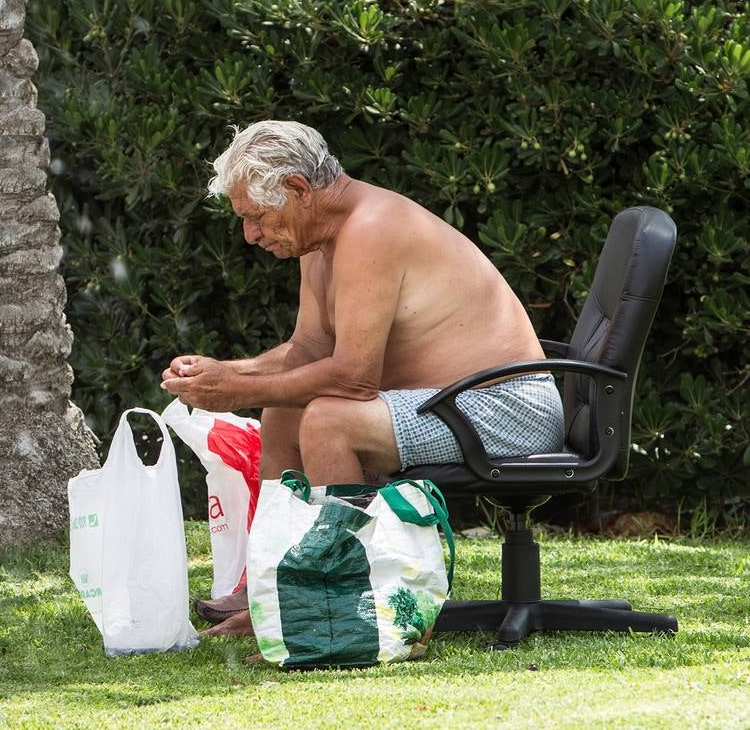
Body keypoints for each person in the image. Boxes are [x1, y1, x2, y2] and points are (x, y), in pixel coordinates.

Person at [160, 121, 562, 634]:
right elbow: (308, 350)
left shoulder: (372, 228)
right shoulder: (319, 241)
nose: (251, 235)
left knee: (331, 420)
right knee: (284, 407)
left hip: (506, 409)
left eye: (257, 216)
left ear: (299, 191)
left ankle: (335, 608)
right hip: (445, 404)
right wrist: (223, 373)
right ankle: (273, 586)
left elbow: (353, 379)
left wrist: (235, 391)